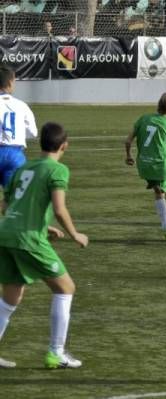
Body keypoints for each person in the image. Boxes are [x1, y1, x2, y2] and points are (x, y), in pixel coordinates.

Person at [0, 122, 89, 369]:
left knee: (11, 297)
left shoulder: (24, 167)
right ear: (64, 146)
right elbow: (59, 208)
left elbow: (6, 206)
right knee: (65, 288)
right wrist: (75, 234)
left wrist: (41, 224)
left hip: (6, 233)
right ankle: (56, 352)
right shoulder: (57, 170)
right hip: (27, 238)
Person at [125, 92, 166, 245]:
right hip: (161, 167)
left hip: (144, 165)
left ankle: (165, 227)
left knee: (159, 192)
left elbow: (127, 140)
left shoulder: (144, 118)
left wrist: (128, 156)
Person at [0, 65, 38, 189]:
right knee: (14, 200)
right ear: (11, 82)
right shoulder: (22, 106)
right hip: (16, 155)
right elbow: (33, 133)